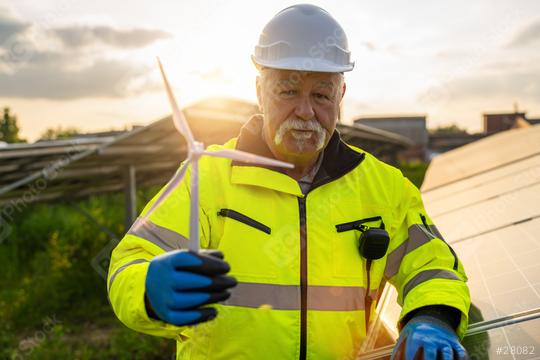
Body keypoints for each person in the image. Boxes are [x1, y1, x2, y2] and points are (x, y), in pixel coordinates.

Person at [107, 4, 471, 360]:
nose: (305, 111)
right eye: (288, 91)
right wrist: (148, 292)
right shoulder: (208, 177)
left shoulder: (384, 187)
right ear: (259, 92)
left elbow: (433, 266)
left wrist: (432, 316)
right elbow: (130, 263)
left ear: (340, 96)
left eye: (321, 94)